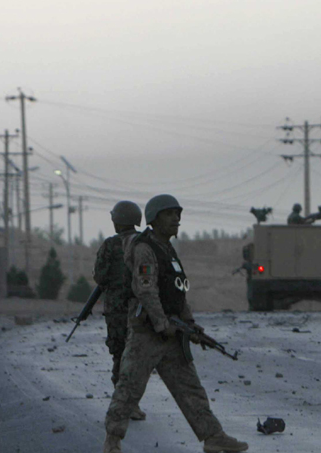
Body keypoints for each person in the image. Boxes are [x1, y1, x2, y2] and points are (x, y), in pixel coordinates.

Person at [103, 194, 247, 453]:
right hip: (147, 332)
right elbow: (145, 289)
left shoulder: (167, 249)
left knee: (191, 388)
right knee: (129, 388)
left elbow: (177, 291)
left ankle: (213, 436)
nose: (176, 219)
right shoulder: (145, 248)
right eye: (170, 214)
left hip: (170, 332)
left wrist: (190, 324)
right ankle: (112, 441)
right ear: (155, 218)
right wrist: (161, 323)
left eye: (178, 214)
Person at [93, 200, 146, 421]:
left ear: (118, 222)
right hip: (142, 308)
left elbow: (100, 277)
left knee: (119, 354)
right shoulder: (146, 243)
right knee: (137, 355)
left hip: (117, 310)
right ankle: (131, 403)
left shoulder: (110, 245)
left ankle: (123, 402)